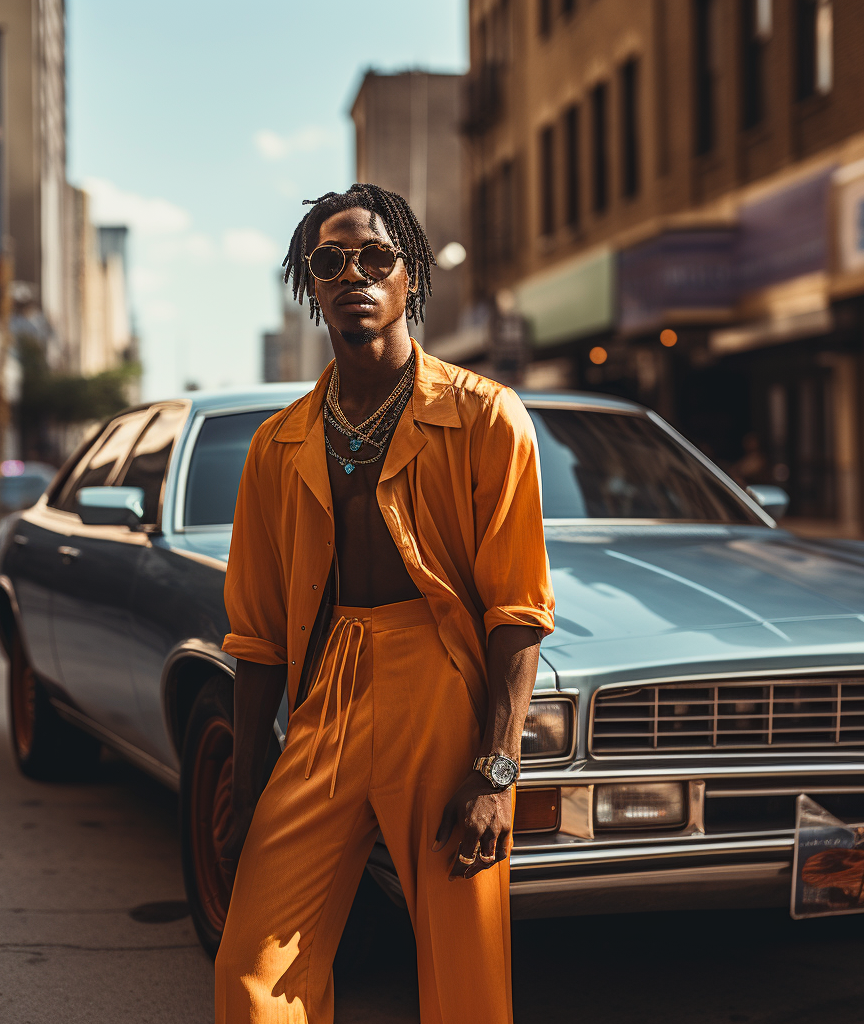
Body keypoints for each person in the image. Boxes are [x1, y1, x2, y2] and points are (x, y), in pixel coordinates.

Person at [216, 183, 555, 1024]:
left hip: (438, 692)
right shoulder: (278, 442)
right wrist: (246, 789)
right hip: (327, 689)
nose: (352, 274)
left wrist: (497, 772)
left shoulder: (486, 418)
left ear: (410, 278)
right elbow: (257, 634)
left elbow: (517, 609)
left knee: (463, 968)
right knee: (253, 970)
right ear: (309, 285)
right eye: (329, 261)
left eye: (375, 257)